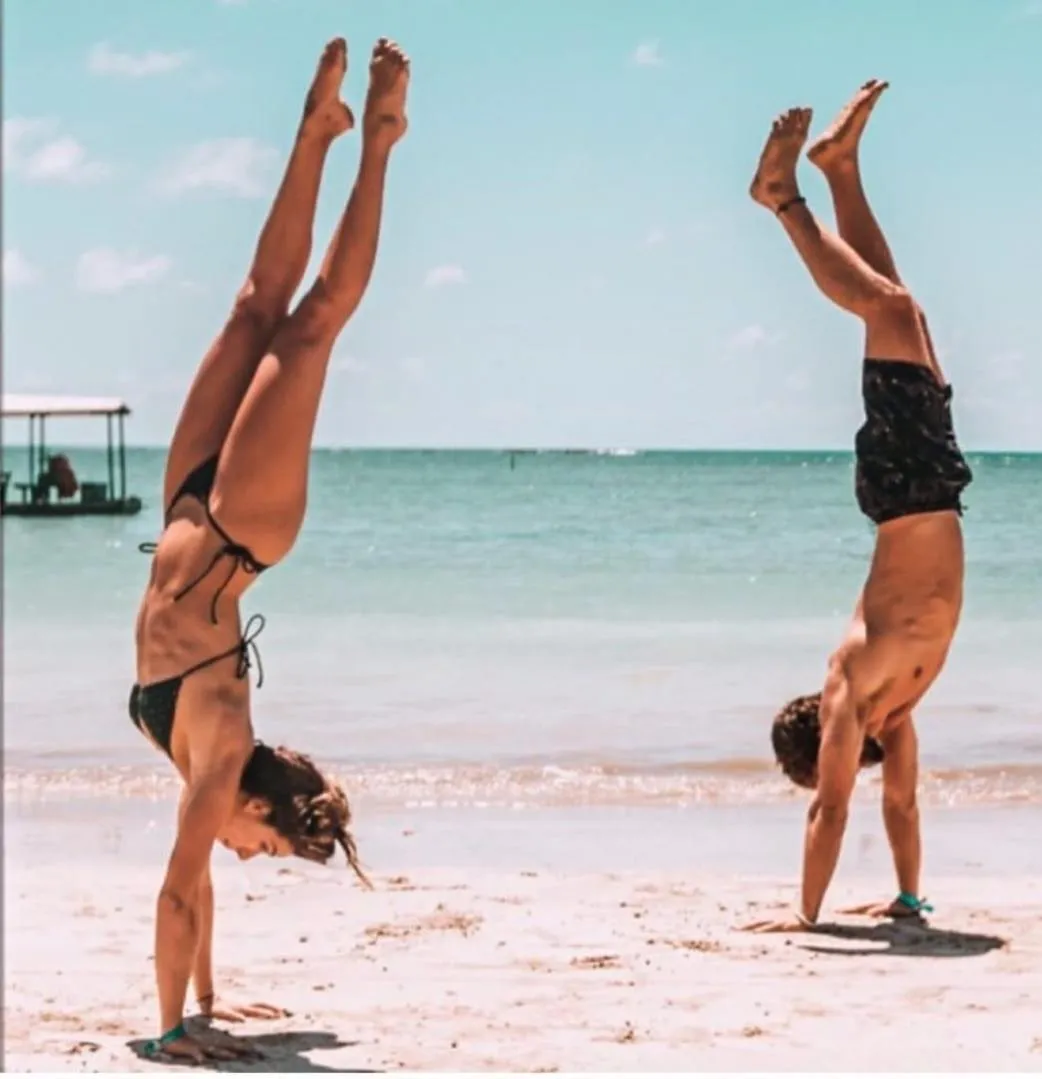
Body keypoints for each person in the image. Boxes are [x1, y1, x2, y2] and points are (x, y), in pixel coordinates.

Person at [130, 37, 409, 1063]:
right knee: (307, 323)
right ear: (255, 807)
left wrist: (205, 999)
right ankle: (370, 139)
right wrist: (171, 1032)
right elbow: (179, 883)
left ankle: (322, 129)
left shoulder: (213, 774)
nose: (248, 859)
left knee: (258, 304)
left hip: (186, 506)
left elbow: (190, 879)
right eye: (270, 849)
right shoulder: (216, 765)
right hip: (241, 525)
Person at [742, 81, 972, 934]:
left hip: (906, 492)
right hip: (935, 488)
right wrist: (908, 901)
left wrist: (804, 920)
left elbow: (828, 814)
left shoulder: (848, 685)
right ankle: (839, 170)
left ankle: (784, 200)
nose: (864, 766)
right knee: (907, 309)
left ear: (828, 744)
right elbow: (902, 808)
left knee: (890, 308)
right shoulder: (899, 713)